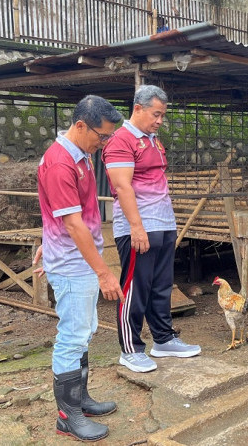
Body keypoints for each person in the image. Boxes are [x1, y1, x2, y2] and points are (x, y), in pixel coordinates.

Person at [35, 95, 125, 441]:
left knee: (84, 331)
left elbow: (54, 209)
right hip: (74, 264)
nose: (104, 144)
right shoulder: (61, 162)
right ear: (80, 126)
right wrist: (104, 272)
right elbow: (72, 224)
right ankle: (67, 416)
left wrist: (49, 239)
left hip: (74, 257)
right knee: (72, 336)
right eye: (102, 136)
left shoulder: (81, 154)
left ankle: (81, 399)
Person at [102, 84, 201, 374]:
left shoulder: (152, 139)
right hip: (138, 225)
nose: (159, 121)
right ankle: (130, 349)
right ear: (138, 108)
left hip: (163, 222)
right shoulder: (121, 140)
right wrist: (137, 227)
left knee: (161, 285)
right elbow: (122, 186)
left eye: (162, 116)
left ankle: (164, 339)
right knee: (136, 287)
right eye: (155, 115)